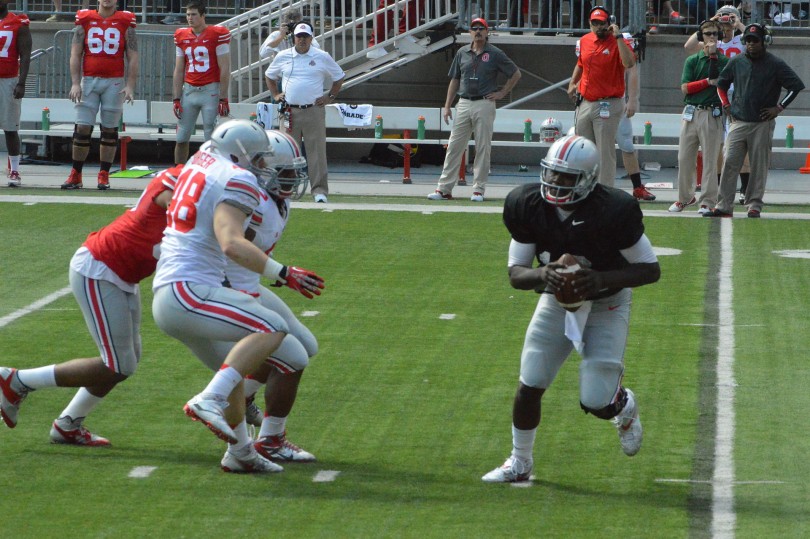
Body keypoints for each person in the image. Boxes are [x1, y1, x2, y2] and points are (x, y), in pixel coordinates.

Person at [482, 135, 660, 483]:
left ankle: (622, 406)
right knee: (530, 383)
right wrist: (541, 273)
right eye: (553, 174)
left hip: (607, 302)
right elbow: (516, 274)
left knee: (596, 400)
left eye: (567, 178)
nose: (556, 183)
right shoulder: (527, 204)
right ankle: (520, 461)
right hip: (556, 300)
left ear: (590, 179)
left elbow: (650, 269)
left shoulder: (614, 210)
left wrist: (600, 279)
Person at [151, 119, 324, 473]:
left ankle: (241, 451)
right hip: (194, 288)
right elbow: (231, 243)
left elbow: (172, 184)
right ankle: (212, 399)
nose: (263, 167)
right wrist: (283, 273)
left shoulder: (204, 158)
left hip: (175, 289)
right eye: (260, 159)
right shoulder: (240, 179)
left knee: (232, 367)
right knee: (272, 329)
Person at [0, 166, 179, 444]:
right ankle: (17, 380)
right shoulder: (183, 184)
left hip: (122, 272)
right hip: (101, 267)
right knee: (118, 364)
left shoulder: (195, 181)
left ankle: (68, 424)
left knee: (128, 359)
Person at [226, 129, 319, 462]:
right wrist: (279, 271)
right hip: (227, 288)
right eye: (285, 171)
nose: (292, 179)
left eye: (294, 171)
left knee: (307, 345)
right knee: (293, 356)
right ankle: (270, 438)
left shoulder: (278, 200)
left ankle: (245, 394)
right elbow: (231, 246)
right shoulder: (247, 198)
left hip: (248, 283)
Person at [705, 23, 805, 218]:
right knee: (729, 163)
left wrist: (779, 108)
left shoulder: (775, 64)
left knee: (759, 166)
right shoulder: (736, 62)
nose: (751, 44)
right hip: (738, 121)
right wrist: (726, 105)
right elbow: (721, 85)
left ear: (764, 42)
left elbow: (795, 86)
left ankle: (754, 204)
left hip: (762, 123)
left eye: (755, 41)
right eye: (748, 41)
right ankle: (724, 205)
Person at [426, 18, 521, 203]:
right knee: (454, 146)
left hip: (484, 103)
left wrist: (502, 92)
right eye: (474, 28)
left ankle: (478, 189)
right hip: (463, 101)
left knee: (482, 147)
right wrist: (447, 105)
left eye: (481, 28)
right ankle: (444, 189)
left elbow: (515, 73)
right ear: (469, 32)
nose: (477, 31)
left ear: (487, 32)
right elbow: (454, 79)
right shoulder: (462, 52)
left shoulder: (495, 53)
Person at [61, 0, 139, 191]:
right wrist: (75, 82)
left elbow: (133, 55)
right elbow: (75, 53)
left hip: (114, 81)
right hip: (89, 80)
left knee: (110, 131)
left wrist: (130, 85)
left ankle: (104, 174)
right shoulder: (85, 19)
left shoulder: (125, 21)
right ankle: (76, 173)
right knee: (82, 128)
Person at [265, 23, 345, 204]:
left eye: (305, 36)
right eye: (298, 36)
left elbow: (339, 76)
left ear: (311, 38)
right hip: (288, 110)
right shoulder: (283, 55)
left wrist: (329, 96)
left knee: (316, 151)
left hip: (313, 110)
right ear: (294, 37)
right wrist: (276, 95)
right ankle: (285, 189)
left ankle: (319, 191)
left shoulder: (321, 56)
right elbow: (270, 75)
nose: (301, 39)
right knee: (286, 152)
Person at [684, 5, 750, 203]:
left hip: (738, 97)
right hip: (716, 97)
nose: (725, 22)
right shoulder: (713, 41)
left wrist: (738, 23)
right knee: (719, 145)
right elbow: (688, 47)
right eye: (723, 18)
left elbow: (760, 40)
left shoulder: (743, 40)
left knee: (740, 144)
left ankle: (745, 188)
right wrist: (711, 20)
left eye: (729, 18)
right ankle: (720, 186)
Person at [568, 6, 635, 187]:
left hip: (608, 103)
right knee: (582, 149)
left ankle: (604, 192)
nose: (598, 27)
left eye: (602, 23)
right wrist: (572, 83)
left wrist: (619, 37)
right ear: (590, 24)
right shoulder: (585, 40)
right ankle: (583, 189)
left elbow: (629, 63)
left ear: (609, 23)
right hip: (585, 102)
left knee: (605, 152)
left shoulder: (618, 41)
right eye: (594, 23)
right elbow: (580, 63)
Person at [669, 19, 728, 214]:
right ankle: (685, 197)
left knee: (710, 159)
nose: (711, 37)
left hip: (711, 112)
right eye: (708, 33)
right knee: (684, 157)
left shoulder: (724, 61)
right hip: (691, 111)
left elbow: (717, 81)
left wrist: (712, 59)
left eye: (715, 34)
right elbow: (686, 89)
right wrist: (705, 82)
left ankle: (708, 201)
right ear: (701, 36)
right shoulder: (692, 60)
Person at [171, 1, 231, 165]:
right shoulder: (181, 35)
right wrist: (176, 98)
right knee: (182, 136)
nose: (190, 18)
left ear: (203, 16)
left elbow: (224, 67)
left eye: (194, 14)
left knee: (211, 137)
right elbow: (178, 69)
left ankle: (211, 172)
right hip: (189, 91)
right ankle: (178, 173)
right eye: (188, 14)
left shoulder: (217, 34)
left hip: (209, 90)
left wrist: (223, 97)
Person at [0, 1, 31, 188]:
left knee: (10, 128)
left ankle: (15, 169)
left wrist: (21, 82)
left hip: (9, 79)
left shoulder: (18, 23)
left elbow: (25, 55)